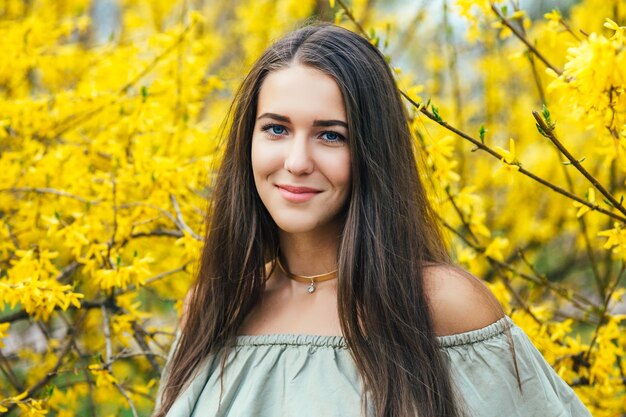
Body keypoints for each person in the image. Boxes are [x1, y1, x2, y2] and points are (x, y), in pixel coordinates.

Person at [153, 22, 591, 417]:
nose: (297, 161)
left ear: (371, 150)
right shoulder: (217, 305)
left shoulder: (440, 305)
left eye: (330, 135)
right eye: (276, 129)